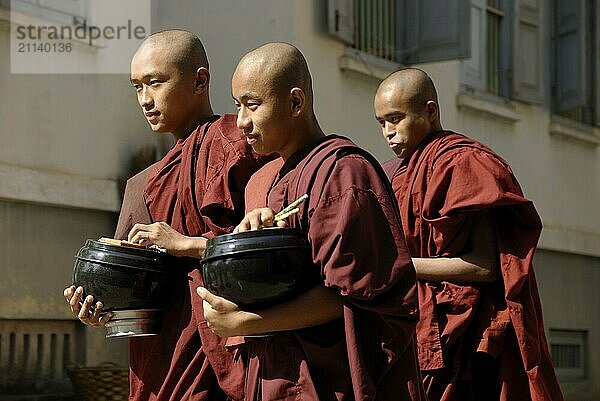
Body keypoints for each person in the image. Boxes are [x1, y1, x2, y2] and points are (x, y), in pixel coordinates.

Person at [196, 42, 426, 401]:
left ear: (295, 103)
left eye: (252, 105)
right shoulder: (276, 179)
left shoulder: (343, 173)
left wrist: (244, 324)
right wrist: (254, 243)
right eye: (238, 105)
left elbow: (351, 298)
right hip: (281, 375)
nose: (241, 122)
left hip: (331, 382)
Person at [63, 30, 268, 401]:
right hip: (162, 359)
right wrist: (100, 307)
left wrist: (186, 245)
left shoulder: (239, 149)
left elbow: (265, 249)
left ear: (200, 80)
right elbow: (129, 284)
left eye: (156, 82)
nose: (145, 99)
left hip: (233, 349)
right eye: (136, 87)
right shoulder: (143, 183)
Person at [374, 68, 564, 401]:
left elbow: (482, 266)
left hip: (463, 332)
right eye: (381, 123)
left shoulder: (463, 163)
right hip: (412, 325)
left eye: (396, 118)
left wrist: (401, 265)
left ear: (430, 111)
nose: (388, 132)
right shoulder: (392, 174)